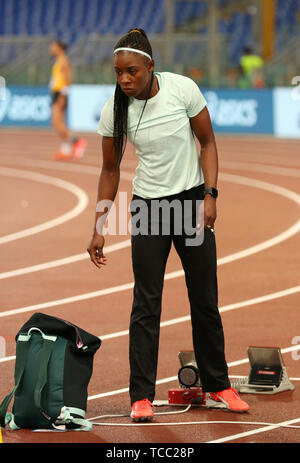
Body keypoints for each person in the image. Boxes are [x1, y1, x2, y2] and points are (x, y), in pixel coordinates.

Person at [87, 28, 250, 421]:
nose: (124, 79)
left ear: (150, 67)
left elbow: (208, 144)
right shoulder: (115, 110)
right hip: (148, 208)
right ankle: (140, 396)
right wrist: (100, 224)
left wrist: (211, 194)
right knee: (146, 303)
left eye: (132, 72)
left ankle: (218, 385)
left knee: (204, 299)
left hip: (191, 202)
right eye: (118, 73)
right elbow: (110, 169)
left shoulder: (182, 90)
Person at [49, 39, 86, 160]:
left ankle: (77, 142)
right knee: (58, 124)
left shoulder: (64, 61)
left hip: (60, 94)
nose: (51, 49)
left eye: (53, 46)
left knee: (58, 124)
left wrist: (63, 97)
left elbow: (67, 81)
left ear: (59, 48)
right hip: (57, 93)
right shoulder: (59, 61)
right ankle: (65, 149)